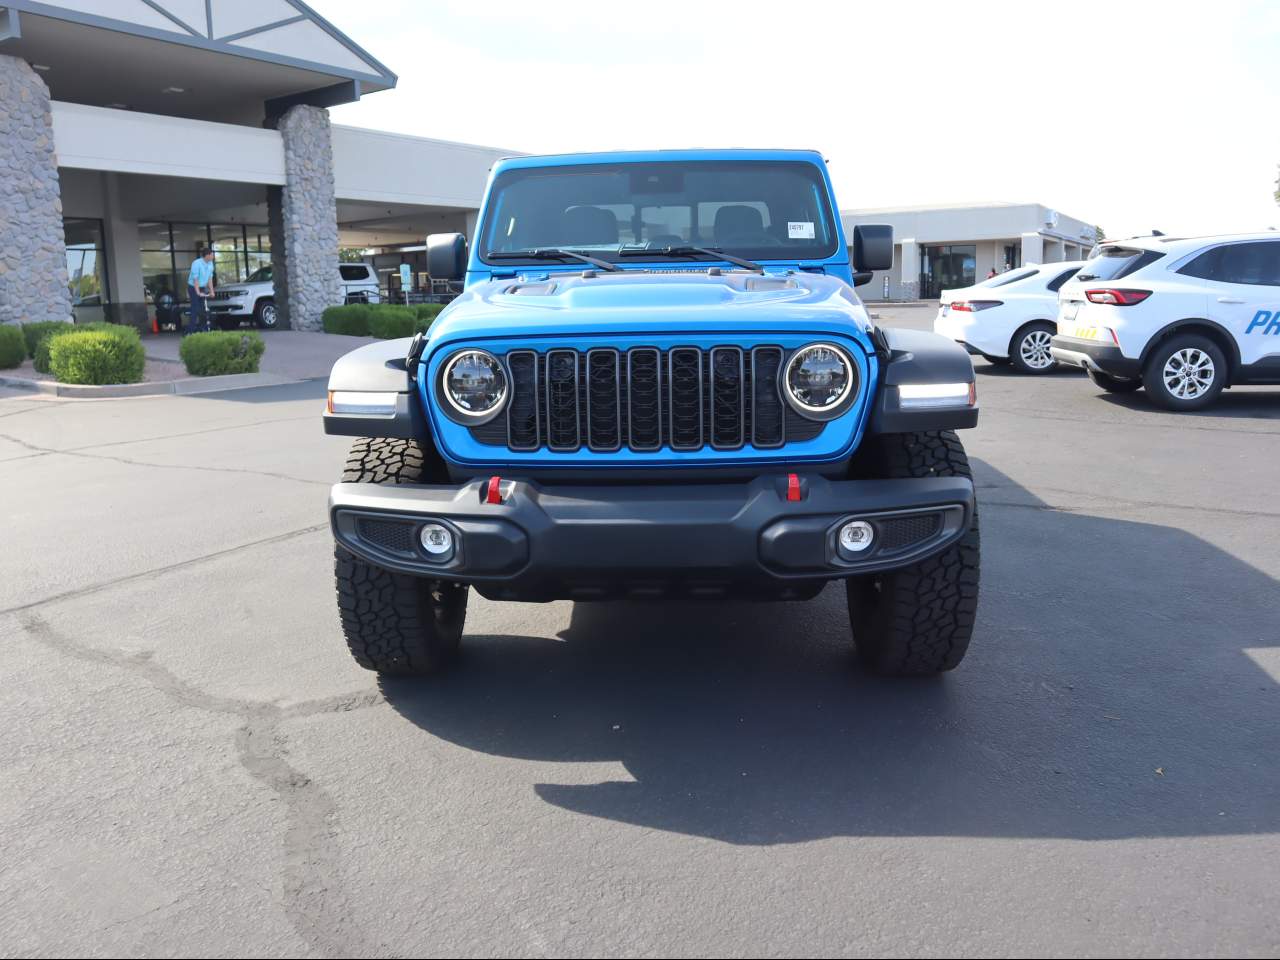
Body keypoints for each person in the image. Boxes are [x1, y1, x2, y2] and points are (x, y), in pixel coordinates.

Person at [186, 247, 216, 335]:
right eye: (212, 255)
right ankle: (190, 331)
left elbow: (210, 278)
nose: (213, 256)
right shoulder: (196, 263)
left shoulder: (210, 264)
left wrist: (212, 291)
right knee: (195, 309)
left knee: (203, 309)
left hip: (202, 287)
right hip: (193, 287)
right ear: (207, 255)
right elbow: (195, 279)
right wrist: (198, 292)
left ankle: (204, 329)